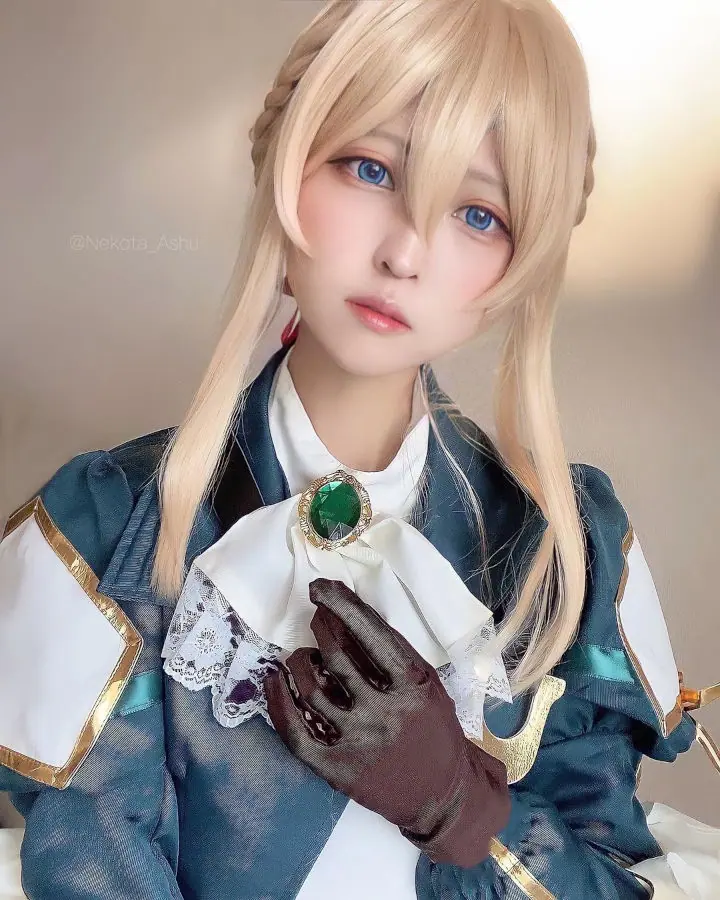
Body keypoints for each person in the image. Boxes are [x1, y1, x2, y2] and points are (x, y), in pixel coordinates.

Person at [0, 1, 717, 898]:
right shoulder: (110, 534)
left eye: (479, 214)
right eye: (372, 169)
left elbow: (606, 877)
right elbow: (96, 869)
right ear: (286, 165)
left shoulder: (563, 557)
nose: (406, 254)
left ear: (520, 266)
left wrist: (464, 811)